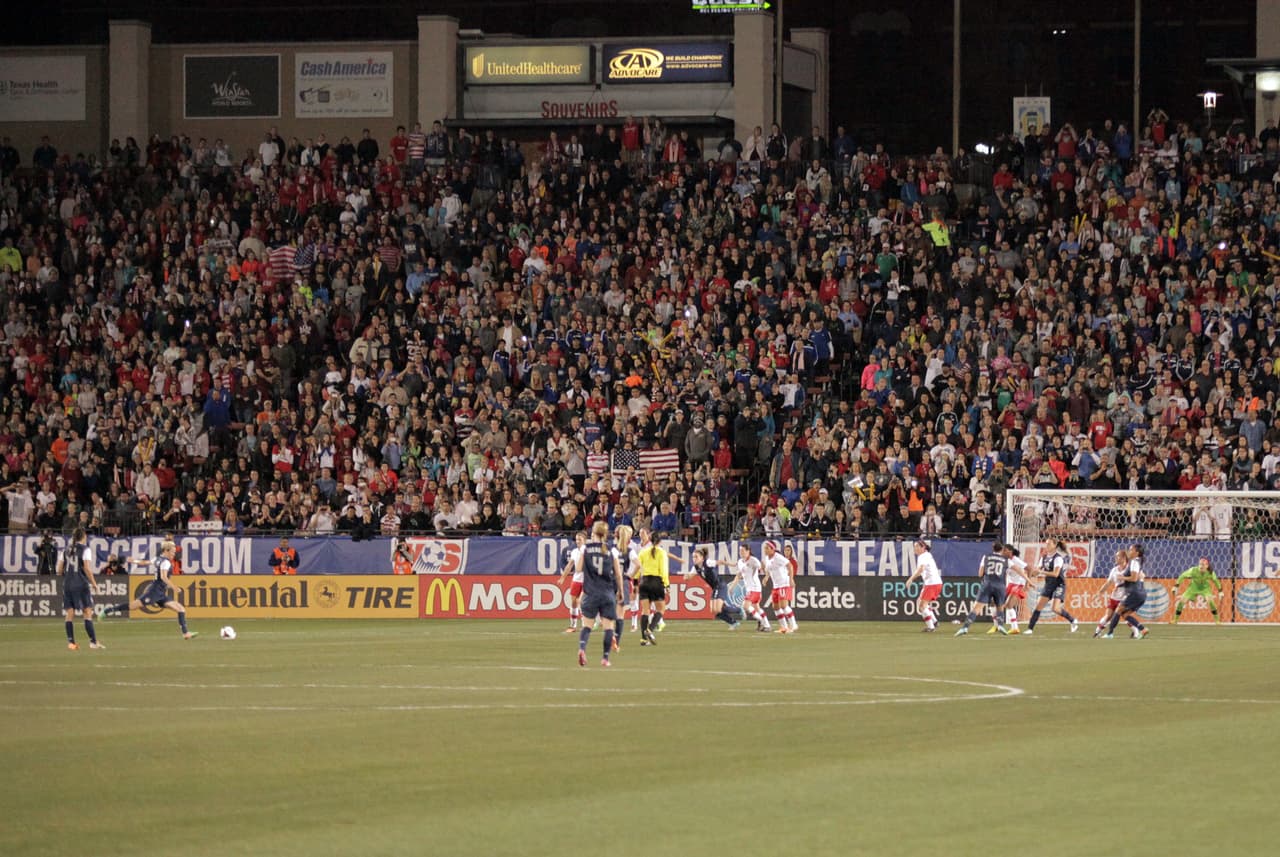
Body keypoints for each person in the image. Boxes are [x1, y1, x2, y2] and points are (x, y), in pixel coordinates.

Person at [99, 542, 198, 639]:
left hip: (160, 592)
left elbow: (144, 562)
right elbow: (164, 577)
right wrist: (174, 588)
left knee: (180, 608)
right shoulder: (165, 562)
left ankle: (186, 633)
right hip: (154, 592)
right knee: (133, 606)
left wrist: (133, 561)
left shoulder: (158, 559)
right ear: (166, 551)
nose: (174, 554)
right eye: (172, 552)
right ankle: (107, 611)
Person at [573, 521, 623, 667]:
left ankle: (582, 649)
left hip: (590, 593)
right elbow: (618, 574)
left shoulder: (585, 549)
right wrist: (620, 591)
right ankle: (605, 658)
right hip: (607, 593)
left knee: (587, 626)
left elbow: (578, 568)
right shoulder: (611, 550)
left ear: (592, 533)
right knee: (608, 627)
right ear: (606, 534)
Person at [58, 528, 102, 651]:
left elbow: (59, 570)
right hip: (80, 584)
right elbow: (87, 568)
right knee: (87, 611)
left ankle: (71, 642)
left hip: (67, 584)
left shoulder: (65, 550)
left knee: (70, 612)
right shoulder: (85, 549)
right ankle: (93, 642)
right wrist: (94, 583)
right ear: (83, 536)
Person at [955, 541, 1009, 636]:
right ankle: (1000, 625)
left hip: (987, 584)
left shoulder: (986, 557)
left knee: (976, 608)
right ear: (1002, 549)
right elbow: (1013, 570)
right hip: (1000, 585)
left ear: (993, 549)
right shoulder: (1006, 560)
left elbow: (980, 574)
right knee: (1000, 607)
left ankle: (965, 627)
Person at [1025, 539, 1078, 634]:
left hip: (1059, 585)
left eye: (1049, 544)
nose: (1047, 546)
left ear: (1055, 545)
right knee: (1038, 607)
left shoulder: (1058, 558)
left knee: (1055, 608)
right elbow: (1037, 570)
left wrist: (1041, 572)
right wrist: (1031, 576)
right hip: (1049, 585)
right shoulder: (1044, 557)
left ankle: (1073, 620)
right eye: (1046, 544)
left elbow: (1056, 574)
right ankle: (1030, 629)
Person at [684, 546, 741, 628]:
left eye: (696, 556)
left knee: (717, 609)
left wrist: (731, 564)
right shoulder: (695, 567)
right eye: (693, 557)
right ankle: (733, 622)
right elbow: (690, 576)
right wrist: (686, 577)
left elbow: (720, 562)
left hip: (720, 586)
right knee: (714, 611)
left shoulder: (707, 562)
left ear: (702, 558)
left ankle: (738, 610)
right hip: (715, 588)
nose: (694, 558)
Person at [1102, 544, 1149, 639]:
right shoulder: (1136, 562)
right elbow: (1138, 578)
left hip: (1134, 593)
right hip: (1141, 594)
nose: (1129, 551)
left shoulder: (1134, 562)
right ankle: (1142, 629)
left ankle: (1110, 633)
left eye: (1131, 550)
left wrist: (1121, 577)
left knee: (1118, 610)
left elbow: (1134, 578)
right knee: (1125, 614)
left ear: (1137, 553)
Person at [634, 527, 670, 646]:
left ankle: (644, 639)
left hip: (644, 582)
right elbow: (663, 570)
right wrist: (666, 584)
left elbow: (638, 569)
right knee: (661, 609)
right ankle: (650, 629)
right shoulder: (661, 553)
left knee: (645, 611)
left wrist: (635, 582)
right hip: (656, 582)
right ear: (660, 541)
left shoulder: (643, 552)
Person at [725, 543, 770, 632]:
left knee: (745, 606)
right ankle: (766, 625)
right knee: (756, 608)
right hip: (749, 589)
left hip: (755, 588)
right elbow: (738, 575)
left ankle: (762, 621)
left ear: (748, 551)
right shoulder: (740, 562)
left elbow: (763, 567)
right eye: (739, 551)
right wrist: (732, 586)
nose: (740, 552)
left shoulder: (753, 560)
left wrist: (766, 576)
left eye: (742, 551)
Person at [904, 539, 942, 632]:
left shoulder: (923, 556)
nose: (915, 548)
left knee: (922, 606)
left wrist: (910, 579)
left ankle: (931, 627)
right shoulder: (926, 555)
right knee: (920, 602)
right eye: (914, 546)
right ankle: (935, 622)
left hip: (932, 584)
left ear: (923, 547)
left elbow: (921, 569)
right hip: (934, 583)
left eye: (917, 546)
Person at [1172, 556, 1223, 624]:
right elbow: (1182, 576)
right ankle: (1175, 620)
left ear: (1207, 566)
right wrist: (1176, 586)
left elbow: (1216, 581)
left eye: (1203, 564)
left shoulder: (1210, 572)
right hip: (1193, 587)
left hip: (1205, 588)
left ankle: (1217, 621)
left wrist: (1220, 591)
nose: (1201, 566)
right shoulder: (1193, 570)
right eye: (1200, 564)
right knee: (1181, 601)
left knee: (1210, 601)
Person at [1094, 548, 1131, 637]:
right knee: (1108, 615)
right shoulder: (1114, 570)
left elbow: (1136, 579)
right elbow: (1108, 583)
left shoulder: (1130, 569)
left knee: (1124, 615)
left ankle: (1136, 631)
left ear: (1124, 558)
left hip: (1125, 597)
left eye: (1118, 557)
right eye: (1116, 557)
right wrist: (1099, 593)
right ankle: (1097, 632)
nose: (1115, 558)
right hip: (1114, 596)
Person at [762, 540, 797, 633]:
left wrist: (791, 579)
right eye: (765, 548)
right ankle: (784, 627)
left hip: (784, 583)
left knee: (784, 606)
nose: (765, 550)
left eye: (767, 548)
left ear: (772, 549)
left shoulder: (778, 557)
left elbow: (790, 566)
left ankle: (793, 625)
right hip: (776, 585)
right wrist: (766, 577)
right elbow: (768, 570)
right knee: (775, 607)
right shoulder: (767, 558)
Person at [557, 531, 588, 632]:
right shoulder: (574, 552)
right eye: (576, 539)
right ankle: (573, 625)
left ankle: (585, 624)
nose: (578, 541)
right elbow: (569, 565)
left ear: (585, 540)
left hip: (586, 580)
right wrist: (563, 577)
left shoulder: (588, 551)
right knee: (574, 602)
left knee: (581, 602)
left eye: (580, 539)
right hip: (576, 579)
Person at [1002, 546, 1030, 634]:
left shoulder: (1016, 560)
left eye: (1005, 550)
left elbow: (1029, 569)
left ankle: (1015, 627)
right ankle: (1014, 627)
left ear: (1010, 552)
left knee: (1009, 605)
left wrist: (1027, 584)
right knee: (1006, 605)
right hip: (1011, 584)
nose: (1003, 552)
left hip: (1018, 584)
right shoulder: (1006, 561)